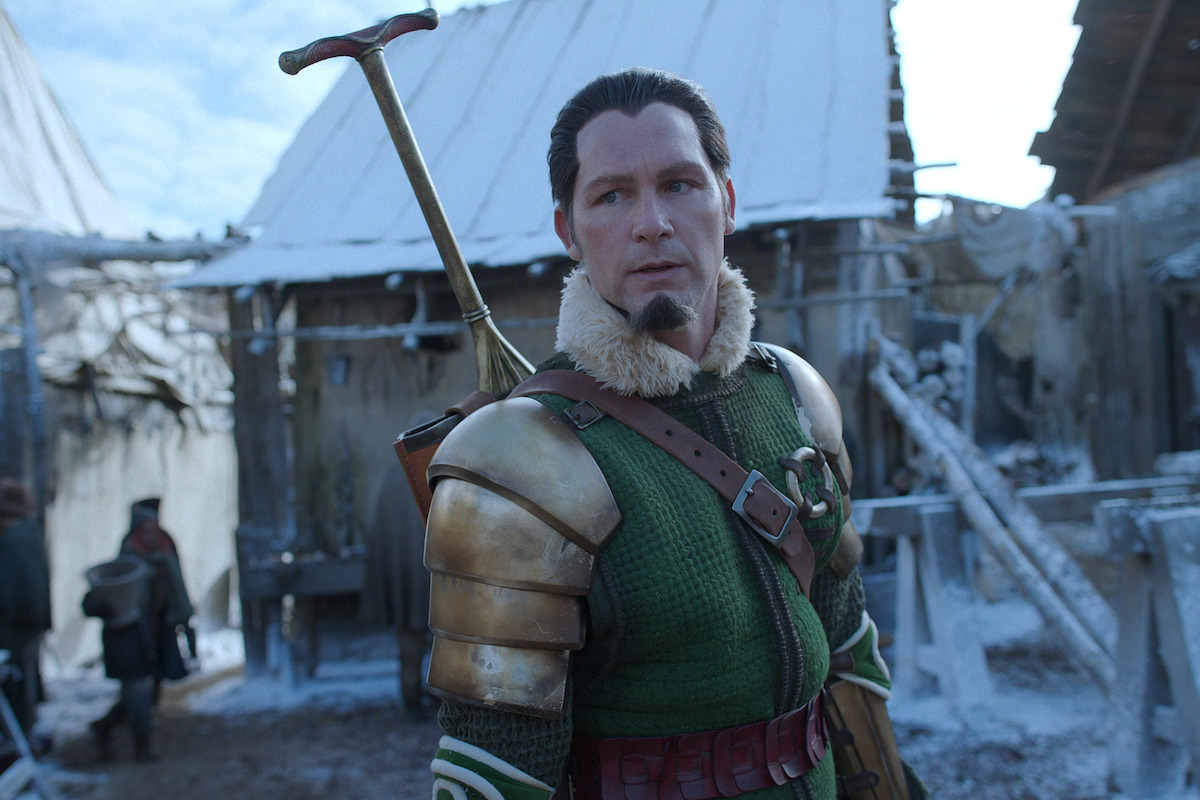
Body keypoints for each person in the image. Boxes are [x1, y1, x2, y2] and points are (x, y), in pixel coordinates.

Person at [421, 68, 923, 800]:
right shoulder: (523, 461)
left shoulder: (795, 394)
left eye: (681, 184)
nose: (651, 222)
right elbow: (495, 773)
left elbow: (845, 643)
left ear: (726, 202)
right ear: (569, 229)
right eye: (612, 194)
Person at [84, 498, 193, 762]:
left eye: (154, 530)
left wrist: (184, 623)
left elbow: (177, 596)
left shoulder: (167, 557)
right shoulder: (125, 564)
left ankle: (105, 727)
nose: (152, 536)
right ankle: (141, 747)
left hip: (158, 634)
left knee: (147, 696)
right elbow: (92, 601)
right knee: (137, 693)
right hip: (128, 638)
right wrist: (110, 609)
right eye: (146, 531)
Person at [0, 480, 52, 753]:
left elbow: (13, 592)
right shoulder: (27, 536)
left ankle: (18, 747)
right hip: (25, 627)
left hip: (14, 629)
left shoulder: (14, 541)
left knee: (16, 690)